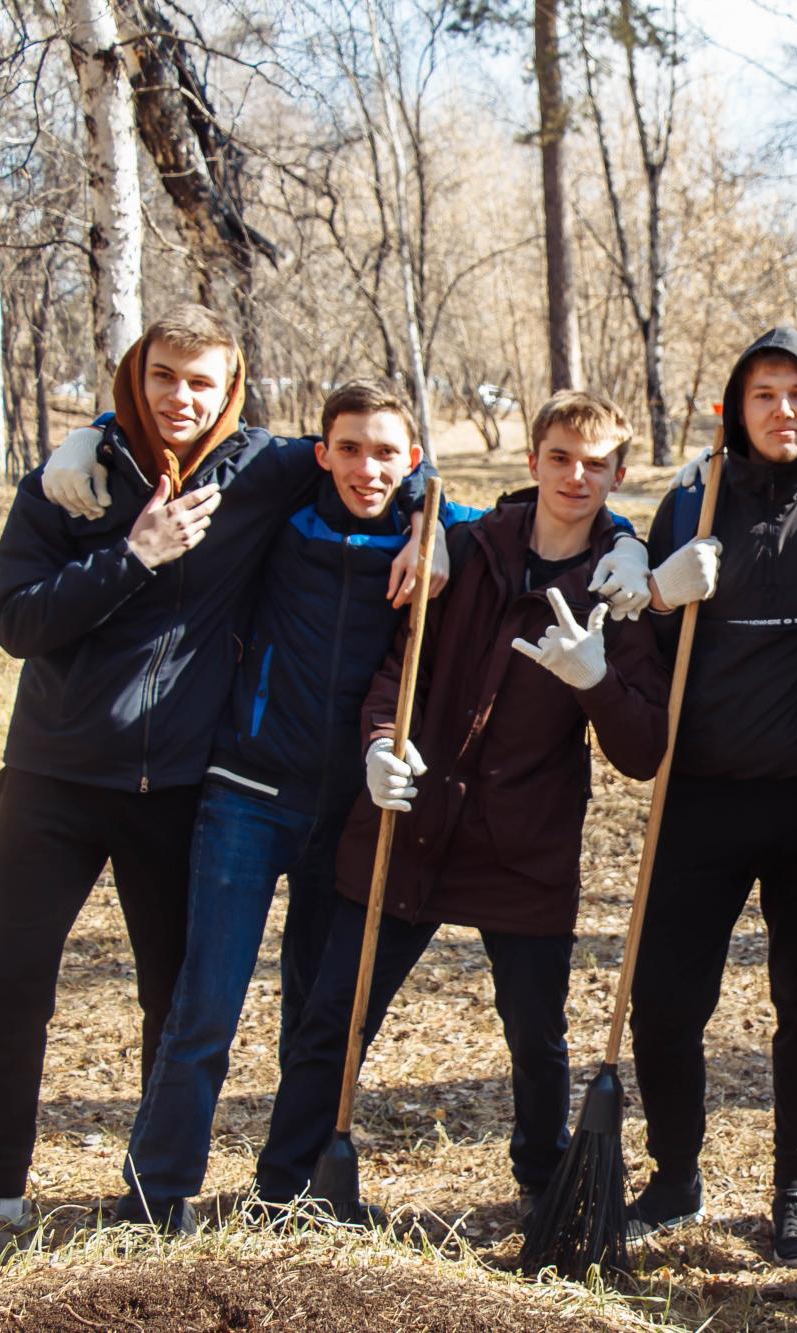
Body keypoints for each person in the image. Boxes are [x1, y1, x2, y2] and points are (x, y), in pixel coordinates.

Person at [0, 307, 433, 1278]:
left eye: (201, 381)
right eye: (163, 376)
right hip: (54, 778)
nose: (180, 398)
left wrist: (428, 519)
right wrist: (131, 550)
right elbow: (14, 621)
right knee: (15, 983)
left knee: (173, 998)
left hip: (177, 786)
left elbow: (373, 456)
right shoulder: (71, 484)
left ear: (230, 388)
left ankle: (151, 1202)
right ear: (135, 374)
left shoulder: (261, 469)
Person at [250, 390, 668, 1229]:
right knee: (337, 1013)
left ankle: (544, 1185)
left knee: (536, 1035)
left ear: (619, 475)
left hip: (525, 841)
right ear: (532, 461)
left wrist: (595, 679)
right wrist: (381, 745)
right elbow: (399, 671)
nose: (575, 477)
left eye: (595, 465)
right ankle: (286, 1185)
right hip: (414, 821)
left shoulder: (616, 589)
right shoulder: (470, 550)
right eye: (560, 458)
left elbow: (645, 749)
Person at [108, 381, 494, 1230]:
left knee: (317, 1013)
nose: (367, 468)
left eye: (386, 453)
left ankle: (290, 1191)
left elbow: (542, 519)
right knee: (205, 1008)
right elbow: (184, 443)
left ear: (413, 460)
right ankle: (155, 1198)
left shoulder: (439, 528)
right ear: (321, 452)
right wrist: (95, 433)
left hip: (354, 805)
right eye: (349, 449)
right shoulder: (280, 513)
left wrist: (432, 522)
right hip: (247, 793)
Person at [623, 327, 797, 1264]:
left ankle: (796, 1186)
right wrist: (655, 588)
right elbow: (640, 621)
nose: (783, 411)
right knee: (664, 1000)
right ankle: (674, 1175)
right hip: (702, 798)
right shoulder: (693, 498)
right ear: (735, 407)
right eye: (764, 394)